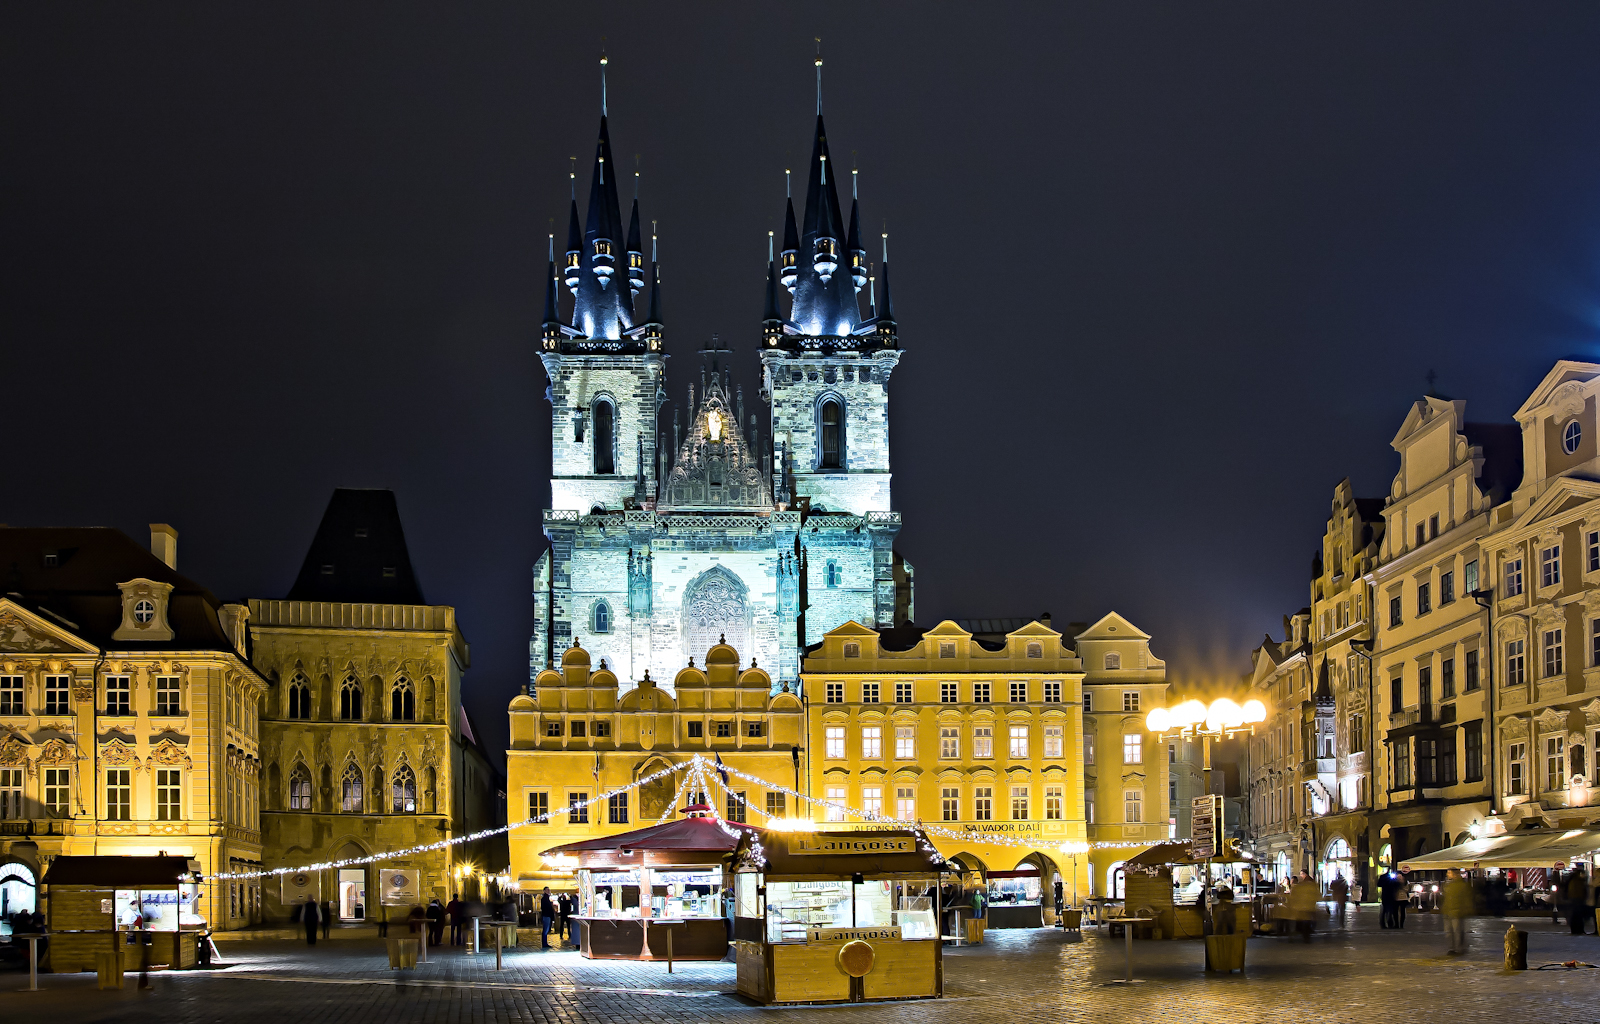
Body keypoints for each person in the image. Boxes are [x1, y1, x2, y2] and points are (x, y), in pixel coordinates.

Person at [1442, 868, 1472, 955]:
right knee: (1449, 932)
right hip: (1448, 911)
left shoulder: (1462, 885)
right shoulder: (1447, 884)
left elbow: (1466, 898)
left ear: (1455, 874)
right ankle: (1452, 948)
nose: (1447, 874)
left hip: (1457, 911)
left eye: (1449, 873)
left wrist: (1465, 909)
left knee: (1457, 932)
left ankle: (1459, 948)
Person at [1288, 871, 1318, 942]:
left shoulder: (1305, 885)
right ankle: (1305, 935)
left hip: (1304, 907)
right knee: (1305, 921)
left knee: (1303, 921)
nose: (1301, 876)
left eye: (1301, 874)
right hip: (1306, 906)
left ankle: (1304, 935)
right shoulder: (1308, 884)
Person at [1565, 867, 1590, 936]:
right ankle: (1578, 929)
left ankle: (1576, 930)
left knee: (1575, 915)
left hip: (1574, 899)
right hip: (1577, 900)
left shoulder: (1573, 881)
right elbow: (1581, 891)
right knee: (1578, 915)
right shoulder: (1578, 881)